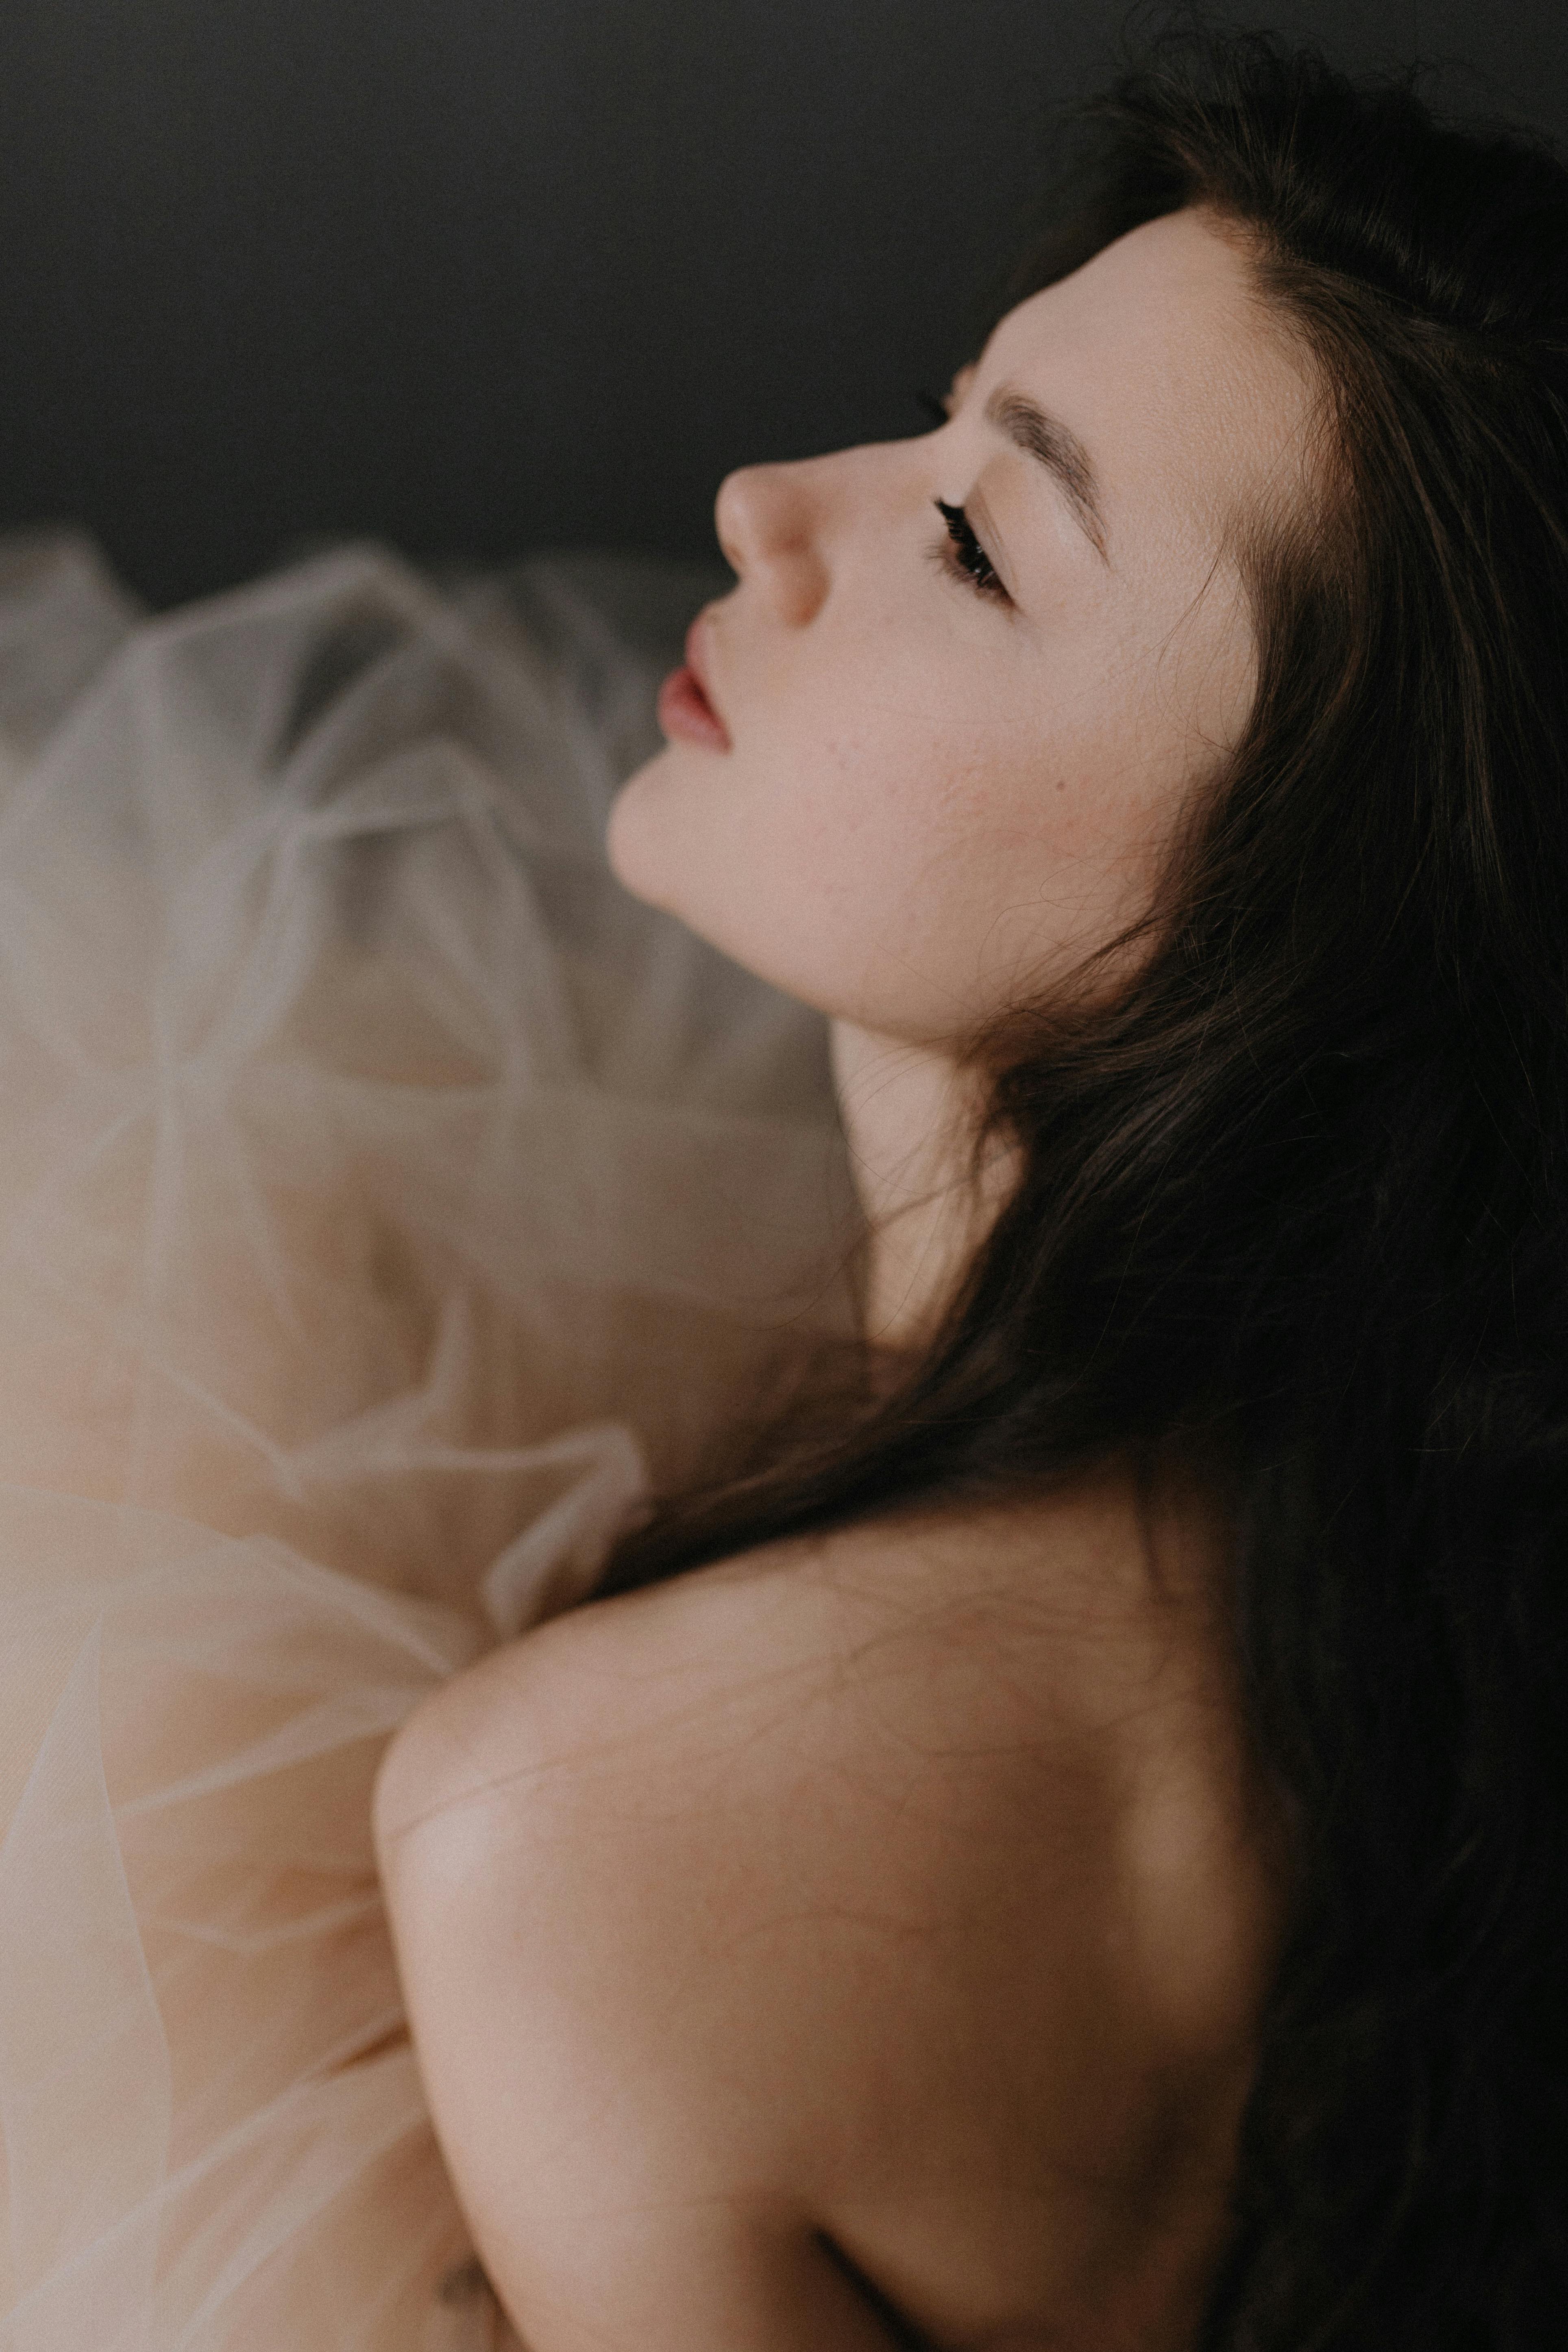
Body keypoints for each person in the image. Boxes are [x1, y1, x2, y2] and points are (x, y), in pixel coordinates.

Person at [0, 22, 1563, 2352]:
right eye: (939, 413)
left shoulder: (582, 1835)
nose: (764, 501)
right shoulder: (1440, 1667)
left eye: (968, 537)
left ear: (1287, 927)